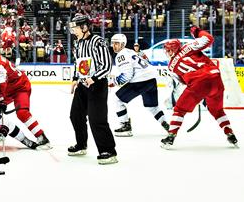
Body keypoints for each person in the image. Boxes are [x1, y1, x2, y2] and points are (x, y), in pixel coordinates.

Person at [161, 26, 238, 149]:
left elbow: (183, 81)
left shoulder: (171, 66)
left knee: (179, 110)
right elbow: (209, 39)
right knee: (218, 111)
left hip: (198, 84)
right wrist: (197, 32)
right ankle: (230, 134)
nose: (167, 52)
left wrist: (198, 93)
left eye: (169, 50)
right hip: (216, 79)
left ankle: (170, 137)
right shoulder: (189, 47)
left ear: (174, 49)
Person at [67, 14, 117, 165]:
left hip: (97, 85)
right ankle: (81, 145)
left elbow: (107, 66)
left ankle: (108, 151)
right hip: (83, 85)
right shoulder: (78, 43)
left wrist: (93, 79)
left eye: (76, 28)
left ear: (84, 27)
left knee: (97, 119)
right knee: (75, 115)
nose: (73, 31)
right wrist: (75, 79)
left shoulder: (97, 42)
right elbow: (78, 63)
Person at [0, 40, 51, 149]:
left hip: (20, 87)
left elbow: (2, 84)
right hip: (10, 88)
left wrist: (1, 100)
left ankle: (42, 137)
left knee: (22, 113)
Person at [109, 34, 170, 137]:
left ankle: (125, 127)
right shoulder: (131, 52)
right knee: (152, 106)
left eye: (117, 43)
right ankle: (167, 126)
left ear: (123, 44)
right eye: (113, 43)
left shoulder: (121, 55)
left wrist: (114, 82)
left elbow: (127, 75)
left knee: (117, 99)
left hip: (140, 81)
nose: (114, 46)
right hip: (151, 80)